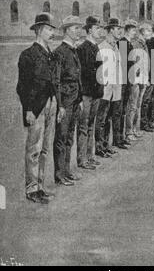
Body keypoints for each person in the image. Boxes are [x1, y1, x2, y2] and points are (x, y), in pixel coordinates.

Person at [17, 13, 58, 204]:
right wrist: (28, 110)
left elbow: (53, 82)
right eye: (49, 29)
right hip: (36, 107)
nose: (51, 33)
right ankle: (31, 188)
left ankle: (40, 186)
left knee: (45, 149)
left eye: (52, 29)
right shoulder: (28, 55)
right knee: (34, 149)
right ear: (39, 30)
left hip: (50, 104)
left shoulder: (50, 53)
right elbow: (22, 86)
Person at [53, 16, 84, 186]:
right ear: (66, 31)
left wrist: (79, 98)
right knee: (61, 138)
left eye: (79, 28)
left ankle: (66, 171)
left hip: (74, 100)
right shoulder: (60, 52)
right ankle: (59, 174)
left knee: (69, 137)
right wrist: (61, 105)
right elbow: (56, 81)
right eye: (74, 28)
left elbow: (77, 78)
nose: (78, 31)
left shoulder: (74, 50)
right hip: (65, 102)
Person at [95, 18, 128, 155]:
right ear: (109, 31)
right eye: (116, 28)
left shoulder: (115, 47)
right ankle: (99, 147)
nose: (119, 31)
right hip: (106, 90)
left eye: (119, 28)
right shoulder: (103, 47)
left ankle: (106, 145)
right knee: (101, 119)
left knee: (109, 117)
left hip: (115, 89)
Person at [76, 16, 103, 170]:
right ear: (89, 30)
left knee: (90, 125)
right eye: (97, 28)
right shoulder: (82, 48)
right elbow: (81, 73)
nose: (99, 30)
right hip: (87, 93)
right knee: (83, 126)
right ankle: (82, 159)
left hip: (96, 92)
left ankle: (90, 156)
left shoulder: (95, 46)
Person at [118, 20, 141, 143]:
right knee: (124, 108)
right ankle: (125, 134)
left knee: (128, 107)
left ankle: (127, 133)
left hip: (129, 80)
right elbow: (124, 65)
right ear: (127, 31)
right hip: (125, 81)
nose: (135, 32)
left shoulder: (128, 43)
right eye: (133, 30)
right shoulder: (123, 43)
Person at [132, 23, 152, 136]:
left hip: (143, 79)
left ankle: (136, 129)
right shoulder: (137, 44)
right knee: (134, 106)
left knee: (138, 105)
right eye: (148, 31)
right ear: (143, 32)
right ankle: (132, 130)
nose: (150, 33)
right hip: (137, 79)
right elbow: (136, 63)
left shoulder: (144, 43)